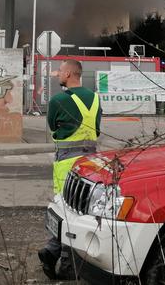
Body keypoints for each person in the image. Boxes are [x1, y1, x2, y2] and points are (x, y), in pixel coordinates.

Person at [38, 59, 101, 280]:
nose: (57, 75)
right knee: (82, 213)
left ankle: (62, 261)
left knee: (65, 212)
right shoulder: (94, 99)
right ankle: (58, 254)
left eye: (61, 72)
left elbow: (53, 126)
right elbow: (97, 129)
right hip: (91, 164)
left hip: (65, 163)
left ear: (70, 74)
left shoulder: (58, 100)